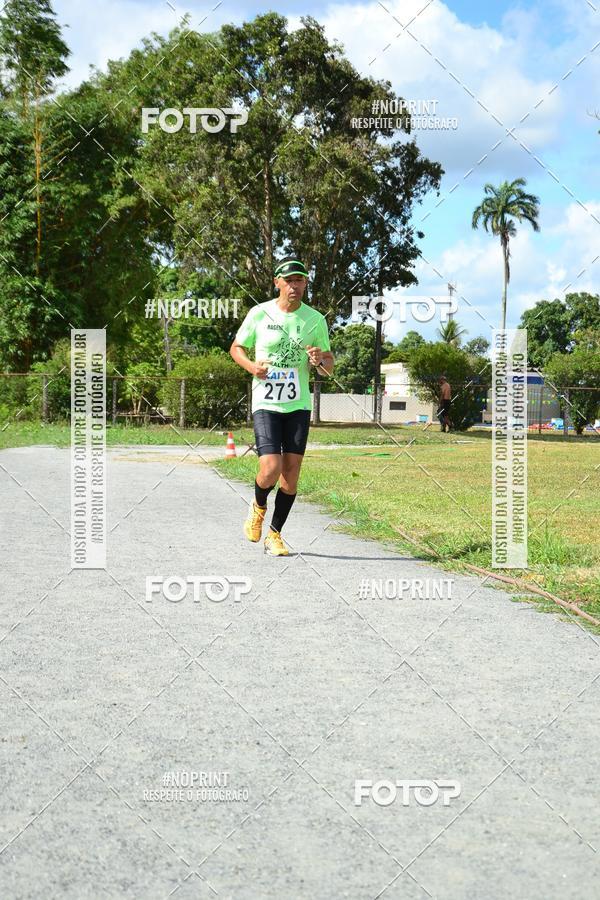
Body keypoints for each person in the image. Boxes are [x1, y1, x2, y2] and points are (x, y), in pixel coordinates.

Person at [230, 256, 334, 556]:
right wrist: (252, 367)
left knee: (290, 476)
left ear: (305, 284)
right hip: (266, 401)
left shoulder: (315, 320)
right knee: (271, 467)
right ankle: (259, 505)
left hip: (298, 405)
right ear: (277, 282)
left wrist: (319, 361)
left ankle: (274, 535)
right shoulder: (259, 313)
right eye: (288, 280)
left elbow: (328, 366)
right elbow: (236, 348)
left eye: (299, 280)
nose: (294, 286)